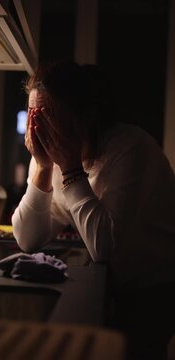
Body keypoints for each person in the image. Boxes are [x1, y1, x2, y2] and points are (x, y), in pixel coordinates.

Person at [12, 60, 175, 358]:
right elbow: (27, 238)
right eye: (32, 114)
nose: (37, 127)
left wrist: (71, 169)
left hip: (153, 288)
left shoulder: (131, 149)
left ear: (83, 117)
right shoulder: (50, 156)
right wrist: (43, 168)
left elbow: (105, 247)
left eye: (46, 116)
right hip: (111, 283)